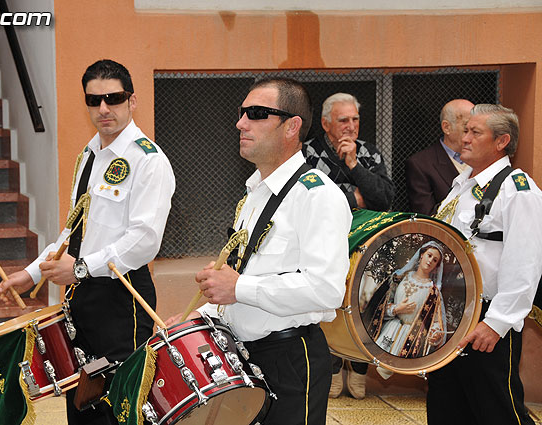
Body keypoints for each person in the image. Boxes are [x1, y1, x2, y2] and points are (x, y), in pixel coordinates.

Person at [0, 59, 175, 425]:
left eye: (113, 98)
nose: (104, 109)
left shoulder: (147, 160)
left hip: (121, 300)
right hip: (80, 299)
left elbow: (144, 240)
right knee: (82, 403)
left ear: (132, 101)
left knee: (120, 405)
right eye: (94, 101)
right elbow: (73, 231)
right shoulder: (89, 156)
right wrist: (31, 274)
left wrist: (78, 268)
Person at [171, 78, 351, 425]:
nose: (241, 123)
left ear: (291, 126)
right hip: (245, 355)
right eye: (242, 113)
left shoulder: (317, 195)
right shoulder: (255, 194)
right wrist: (201, 315)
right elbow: (245, 276)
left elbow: (327, 290)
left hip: (290, 358)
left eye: (256, 114)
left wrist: (237, 287)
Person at [428, 104, 542, 425]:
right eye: (464, 131)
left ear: (501, 141)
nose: (465, 138)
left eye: (475, 132)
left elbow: (526, 263)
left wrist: (497, 323)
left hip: (485, 320)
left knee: (496, 411)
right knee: (447, 408)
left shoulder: (518, 191)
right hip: (447, 317)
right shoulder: (461, 185)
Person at [302, 92, 395, 398]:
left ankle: (358, 368)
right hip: (325, 241)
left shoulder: (368, 152)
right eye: (343, 120)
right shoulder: (308, 153)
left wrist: (355, 165)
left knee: (363, 302)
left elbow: (385, 198)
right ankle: (330, 367)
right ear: (326, 123)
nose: (351, 126)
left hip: (366, 242)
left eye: (355, 119)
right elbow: (305, 200)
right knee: (328, 303)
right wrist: (353, 198)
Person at [366, 241, 446, 358]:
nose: (430, 261)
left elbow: (436, 321)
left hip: (410, 338)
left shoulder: (433, 291)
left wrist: (435, 333)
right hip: (389, 328)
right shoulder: (400, 277)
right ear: (422, 255)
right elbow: (381, 304)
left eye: (435, 260)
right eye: (429, 255)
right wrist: (396, 309)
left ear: (436, 267)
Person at [405, 99, 474, 215]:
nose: (471, 137)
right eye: (466, 130)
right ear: (446, 127)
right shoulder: (421, 164)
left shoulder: (483, 158)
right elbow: (427, 216)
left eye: (476, 131)